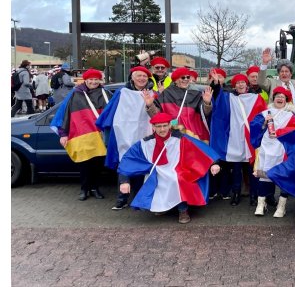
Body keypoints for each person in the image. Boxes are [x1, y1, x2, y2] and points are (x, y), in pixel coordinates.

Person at [117, 112, 222, 223]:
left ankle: (183, 210)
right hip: (156, 172)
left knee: (177, 179)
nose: (162, 129)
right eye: (158, 126)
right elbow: (128, 160)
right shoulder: (145, 143)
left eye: (165, 126)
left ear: (169, 125)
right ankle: (163, 207)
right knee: (158, 180)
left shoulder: (180, 139)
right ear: (153, 127)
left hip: (177, 171)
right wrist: (124, 180)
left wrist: (214, 163)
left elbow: (201, 149)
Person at [96, 66, 157, 210]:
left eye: (144, 76)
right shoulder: (121, 92)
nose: (142, 78)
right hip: (124, 133)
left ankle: (139, 197)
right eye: (138, 75)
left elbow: (157, 114)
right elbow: (110, 112)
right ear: (132, 77)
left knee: (143, 163)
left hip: (145, 133)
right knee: (124, 163)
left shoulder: (153, 94)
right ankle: (122, 198)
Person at [51, 68, 111, 201]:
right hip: (82, 134)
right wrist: (63, 133)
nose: (94, 82)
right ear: (86, 80)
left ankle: (95, 188)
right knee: (84, 164)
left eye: (96, 79)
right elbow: (67, 114)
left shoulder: (105, 93)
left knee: (97, 164)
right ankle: (84, 189)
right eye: (91, 79)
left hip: (100, 136)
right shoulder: (76, 94)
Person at [210, 73, 268, 206]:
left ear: (247, 85)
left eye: (243, 82)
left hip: (250, 138)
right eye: (237, 83)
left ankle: (254, 195)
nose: (240, 84)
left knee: (252, 168)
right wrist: (217, 84)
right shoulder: (228, 97)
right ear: (234, 86)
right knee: (236, 169)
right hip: (234, 138)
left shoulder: (256, 98)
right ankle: (236, 193)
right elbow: (216, 96)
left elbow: (263, 115)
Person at [249, 87, 295, 218]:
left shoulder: (290, 115)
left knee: (283, 175)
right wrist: (264, 122)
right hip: (266, 148)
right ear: (274, 98)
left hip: (283, 149)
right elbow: (254, 125)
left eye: (282, 97)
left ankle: (281, 206)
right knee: (263, 174)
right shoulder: (265, 112)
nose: (280, 98)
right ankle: (261, 204)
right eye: (277, 96)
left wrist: (278, 132)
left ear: (286, 100)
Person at [152, 67, 213, 142]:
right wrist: (150, 105)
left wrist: (207, 103)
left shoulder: (195, 93)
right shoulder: (167, 92)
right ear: (176, 80)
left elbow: (204, 114)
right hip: (172, 130)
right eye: (183, 77)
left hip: (192, 131)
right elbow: (156, 113)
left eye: (188, 77)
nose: (186, 79)